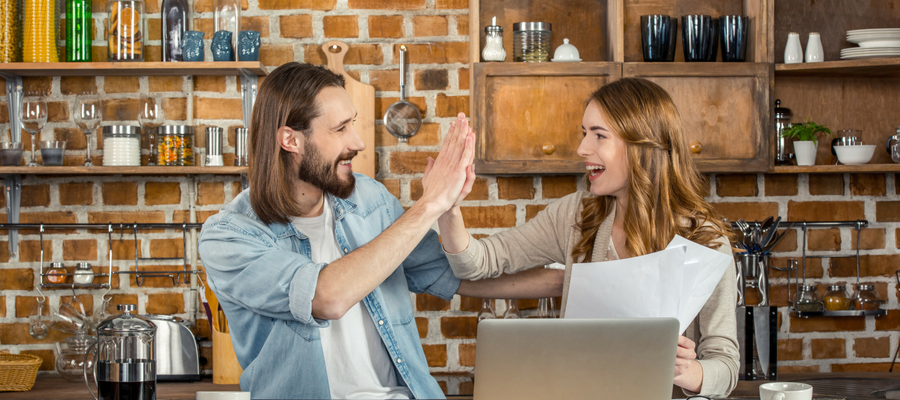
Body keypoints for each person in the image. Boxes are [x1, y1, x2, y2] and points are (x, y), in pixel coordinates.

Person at [197, 62, 562, 399]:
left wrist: (576, 278)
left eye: (352, 124)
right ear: (290, 140)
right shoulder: (229, 236)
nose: (358, 142)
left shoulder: (369, 200)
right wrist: (428, 205)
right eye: (341, 129)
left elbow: (453, 273)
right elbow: (326, 297)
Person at [438, 78, 740, 397]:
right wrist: (448, 208)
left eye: (599, 135)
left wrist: (686, 370)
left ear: (642, 145)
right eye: (585, 133)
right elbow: (478, 262)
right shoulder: (576, 216)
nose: (583, 148)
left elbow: (725, 365)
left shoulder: (704, 240)